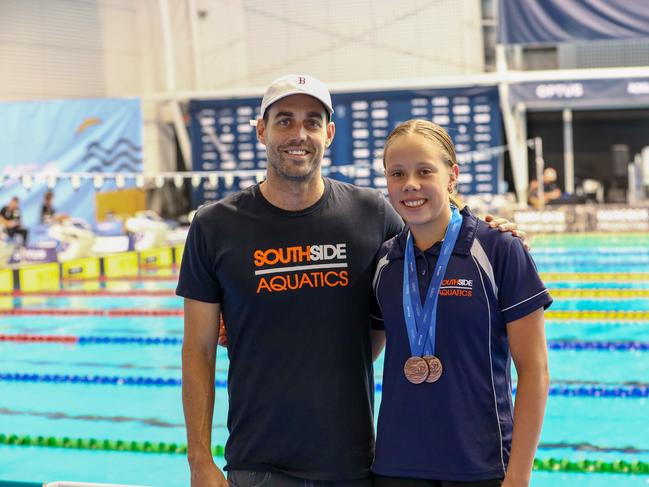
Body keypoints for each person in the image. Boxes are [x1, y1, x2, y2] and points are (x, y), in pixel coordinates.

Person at [176, 75, 524, 487]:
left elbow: (434, 243)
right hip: (256, 462)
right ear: (261, 130)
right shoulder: (215, 225)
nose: (298, 134)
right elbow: (197, 349)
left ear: (329, 133)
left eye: (311, 121)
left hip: (353, 461)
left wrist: (489, 228)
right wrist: (199, 458)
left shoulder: (371, 213)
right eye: (284, 121)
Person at [372, 120, 552, 487]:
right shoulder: (384, 263)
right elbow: (361, 349)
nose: (410, 184)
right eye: (397, 173)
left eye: (425, 171)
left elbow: (534, 370)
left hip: (481, 467)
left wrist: (519, 476)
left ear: (451, 176)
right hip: (396, 466)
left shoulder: (500, 249)